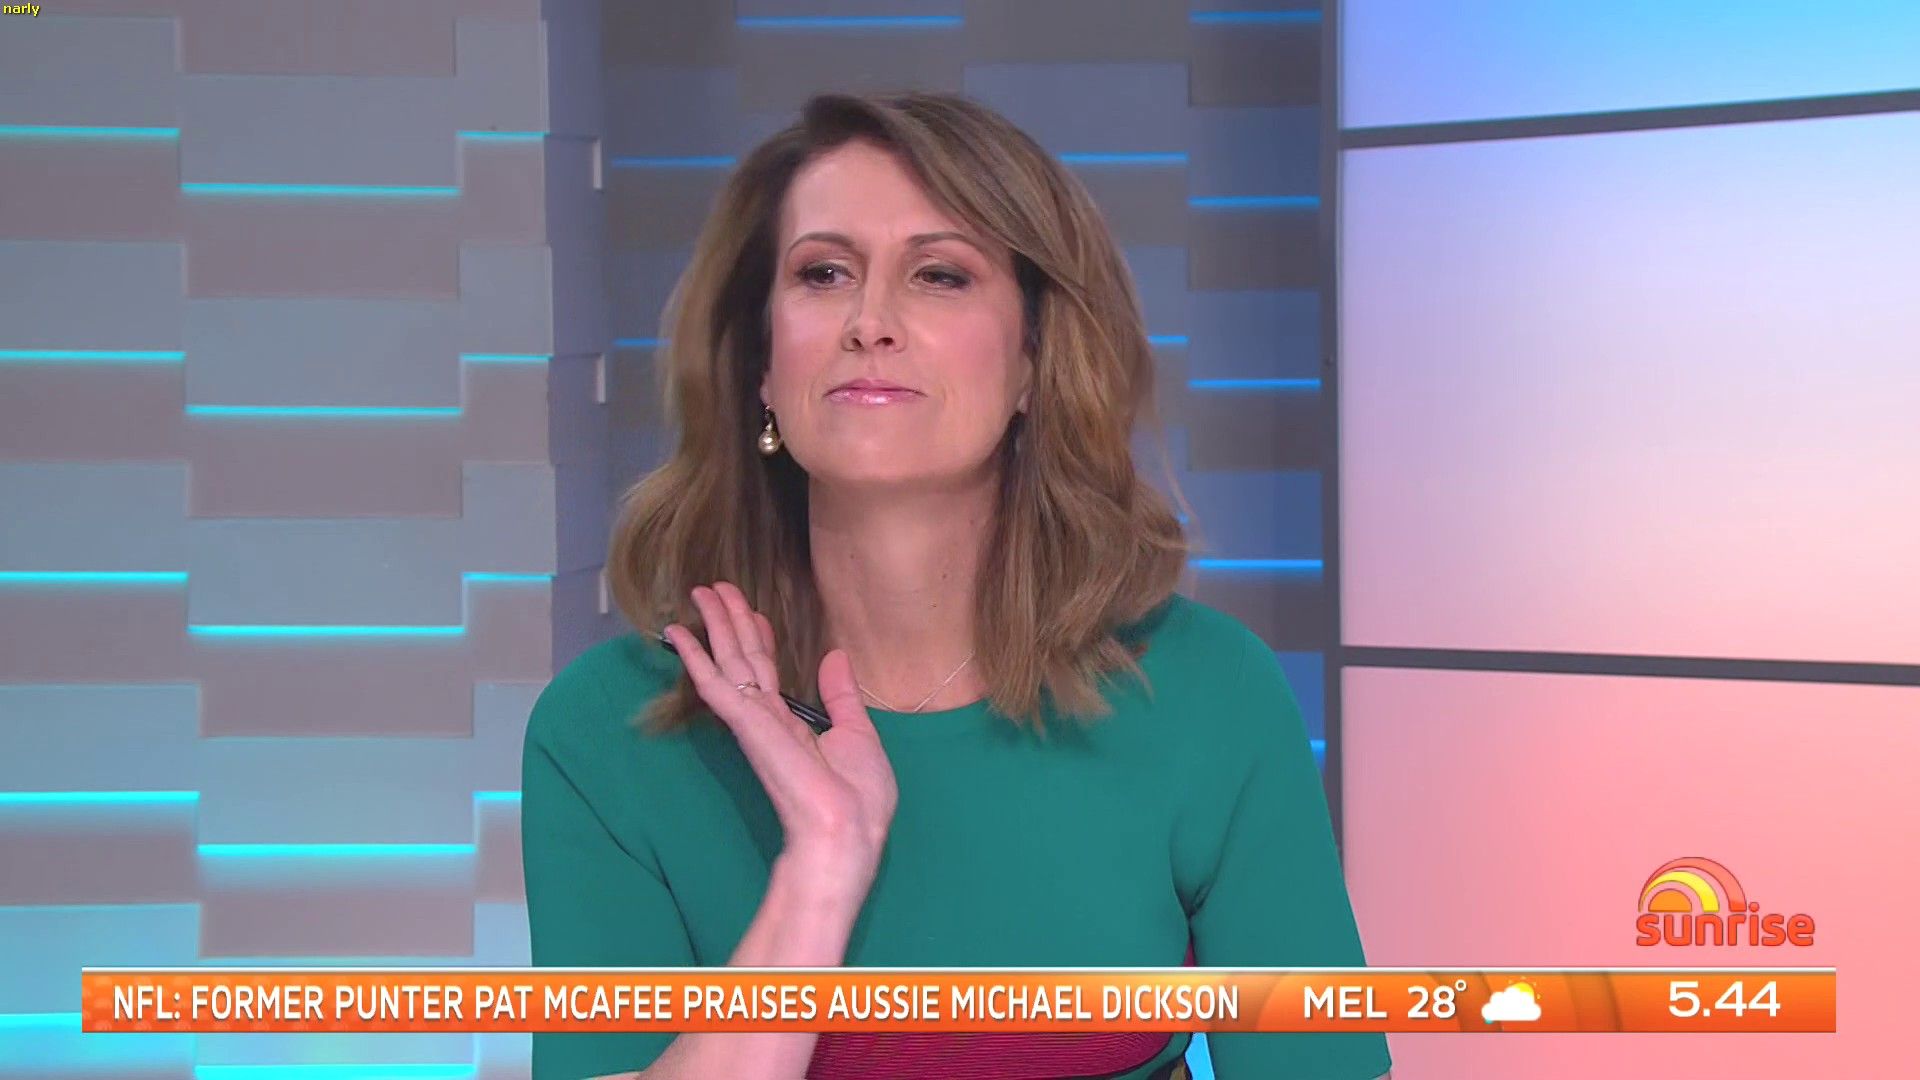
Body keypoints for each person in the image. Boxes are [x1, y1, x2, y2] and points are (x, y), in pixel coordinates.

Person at [520, 90, 1392, 1080]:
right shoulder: (609, 732)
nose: (870, 322)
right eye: (823, 274)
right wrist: (820, 871)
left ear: (1032, 364)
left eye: (939, 275)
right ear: (762, 366)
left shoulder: (1205, 692)